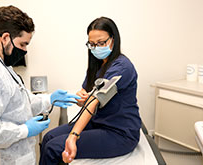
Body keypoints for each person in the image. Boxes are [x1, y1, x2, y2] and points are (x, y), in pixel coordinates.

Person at [0, 5, 80, 165]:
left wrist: (49, 99)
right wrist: (25, 130)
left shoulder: (0, 64)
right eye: (22, 44)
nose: (24, 50)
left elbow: (19, 102)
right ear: (5, 37)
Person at [39, 17, 141, 165]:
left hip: (120, 133)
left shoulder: (122, 68)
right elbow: (86, 96)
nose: (97, 48)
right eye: (92, 44)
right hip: (98, 123)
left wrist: (74, 136)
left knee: (53, 148)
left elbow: (95, 100)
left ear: (113, 39)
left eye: (101, 43)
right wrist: (81, 98)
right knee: (48, 137)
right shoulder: (98, 64)